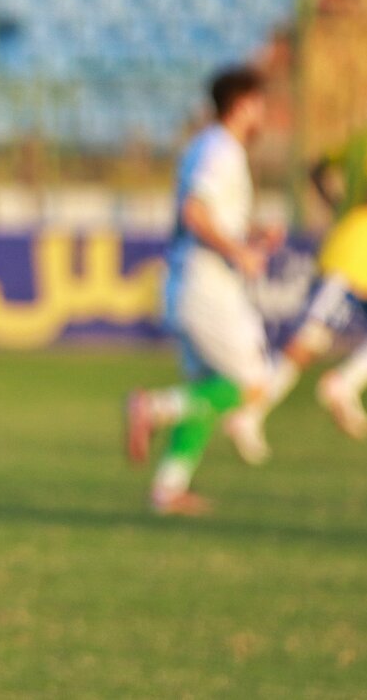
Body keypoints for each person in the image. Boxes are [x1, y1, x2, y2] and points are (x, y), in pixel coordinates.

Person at [125, 67, 281, 516]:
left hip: (189, 282)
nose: (263, 113)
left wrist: (250, 235)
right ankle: (153, 407)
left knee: (208, 392)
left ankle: (167, 490)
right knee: (253, 384)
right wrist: (239, 251)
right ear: (243, 104)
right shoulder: (221, 149)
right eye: (260, 104)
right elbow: (195, 212)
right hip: (206, 285)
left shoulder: (204, 146)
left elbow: (207, 211)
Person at [223, 82, 367, 462]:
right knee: (305, 344)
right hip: (349, 260)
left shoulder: (362, 138)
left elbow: (318, 168)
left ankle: (343, 384)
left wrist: (336, 204)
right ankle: (249, 412)